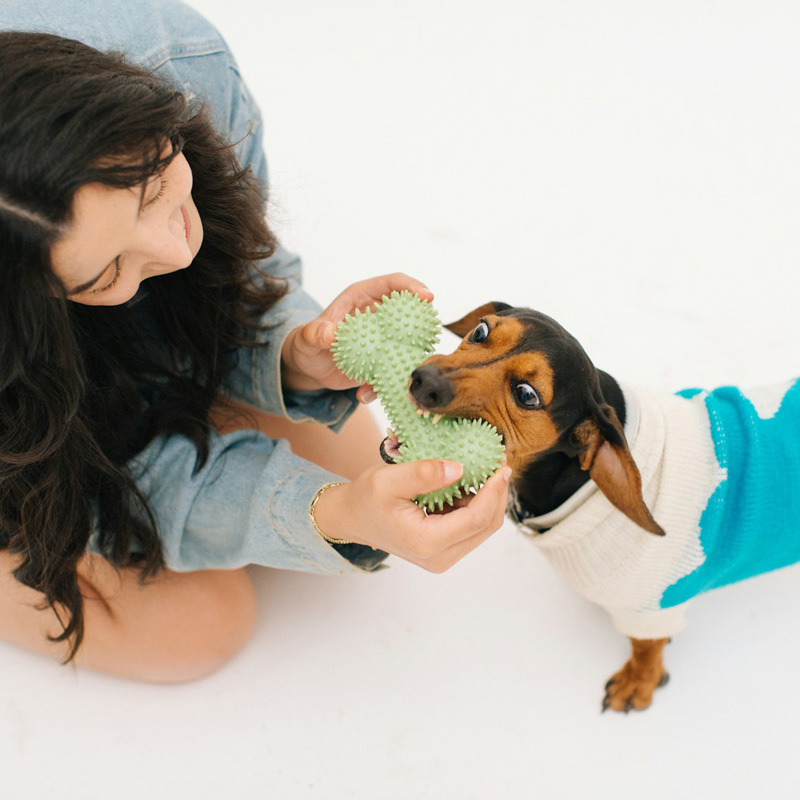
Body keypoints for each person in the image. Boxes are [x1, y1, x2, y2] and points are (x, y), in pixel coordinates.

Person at [0, 0, 511, 682]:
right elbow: (84, 485)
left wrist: (294, 355)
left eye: (151, 186)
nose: (172, 248)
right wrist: (329, 515)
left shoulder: (179, 63)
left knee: (351, 466)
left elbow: (242, 277)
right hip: (25, 430)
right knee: (200, 628)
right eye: (105, 271)